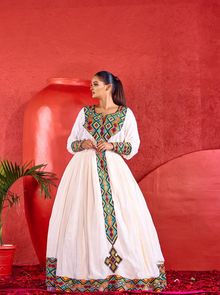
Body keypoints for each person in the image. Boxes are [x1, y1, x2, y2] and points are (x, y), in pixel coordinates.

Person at [46, 70, 167, 292]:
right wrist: (82, 144)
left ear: (108, 87)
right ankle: (84, 272)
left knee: (122, 217)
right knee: (83, 215)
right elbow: (71, 143)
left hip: (114, 170)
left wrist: (112, 145)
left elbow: (132, 146)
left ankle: (121, 273)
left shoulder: (125, 114)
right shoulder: (85, 113)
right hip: (83, 171)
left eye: (95, 84)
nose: (91, 88)